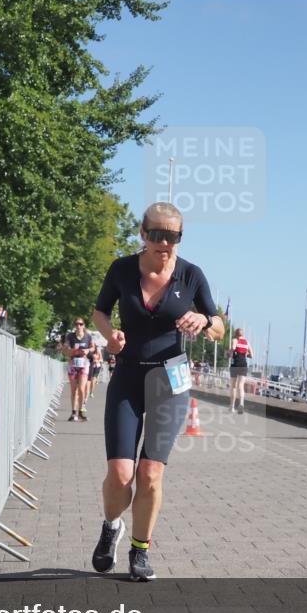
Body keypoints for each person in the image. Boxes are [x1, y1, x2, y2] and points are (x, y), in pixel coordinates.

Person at [91, 202, 223, 581]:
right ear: (143, 234)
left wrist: (204, 318)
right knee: (120, 473)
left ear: (180, 237)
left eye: (173, 236)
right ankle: (111, 525)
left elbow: (218, 328)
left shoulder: (191, 275)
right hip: (128, 377)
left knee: (149, 473)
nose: (165, 243)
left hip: (171, 382)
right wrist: (109, 333)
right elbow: (101, 311)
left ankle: (140, 551)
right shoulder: (121, 269)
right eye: (157, 235)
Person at [62, 318, 93, 421]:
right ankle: (73, 413)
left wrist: (88, 350)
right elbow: (65, 349)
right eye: (76, 324)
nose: (78, 326)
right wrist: (69, 349)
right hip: (73, 365)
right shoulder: (70, 336)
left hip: (84, 365)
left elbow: (93, 347)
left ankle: (81, 412)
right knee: (74, 389)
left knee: (81, 389)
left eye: (80, 324)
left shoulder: (88, 336)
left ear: (84, 325)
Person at [229, 328, 253, 413]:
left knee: (233, 386)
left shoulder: (235, 340)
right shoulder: (247, 342)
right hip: (243, 365)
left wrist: (230, 353)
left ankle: (232, 407)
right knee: (241, 385)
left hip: (235, 364)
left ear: (236, 334)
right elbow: (252, 355)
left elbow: (233, 347)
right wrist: (247, 355)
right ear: (243, 334)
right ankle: (241, 404)